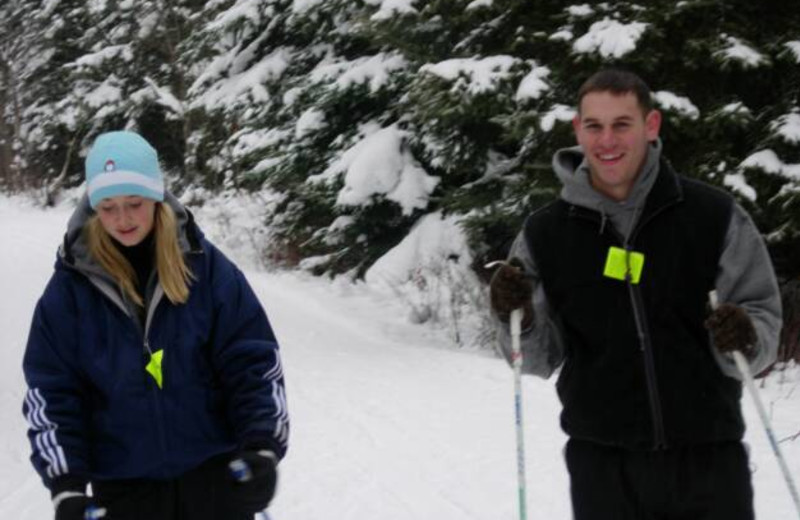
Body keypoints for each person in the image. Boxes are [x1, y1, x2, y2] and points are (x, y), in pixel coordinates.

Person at [490, 69, 782, 519]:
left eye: (622, 124)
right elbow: (537, 358)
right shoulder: (545, 234)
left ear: (651, 126)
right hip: (604, 469)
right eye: (595, 126)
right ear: (578, 130)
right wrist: (520, 318)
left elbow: (760, 321)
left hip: (707, 462)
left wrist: (745, 335)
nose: (607, 141)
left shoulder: (712, 216)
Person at [22, 131, 289, 520]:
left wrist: (262, 443)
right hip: (124, 492)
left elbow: (251, 361)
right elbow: (53, 393)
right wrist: (66, 487)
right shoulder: (70, 291)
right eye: (108, 207)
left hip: (217, 478)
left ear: (157, 198)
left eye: (134, 203)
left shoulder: (206, 269)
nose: (123, 219)